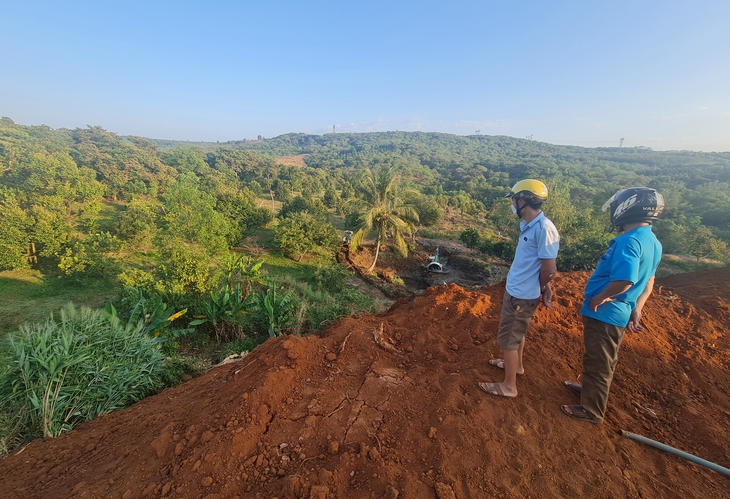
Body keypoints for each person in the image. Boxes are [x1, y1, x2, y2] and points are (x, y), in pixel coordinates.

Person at [561, 187, 664, 423]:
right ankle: (589, 391)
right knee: (600, 357)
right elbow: (649, 281)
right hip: (621, 311)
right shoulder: (653, 242)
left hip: (606, 312)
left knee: (599, 361)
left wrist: (600, 297)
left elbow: (625, 280)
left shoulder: (629, 241)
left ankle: (591, 411)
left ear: (626, 209)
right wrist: (637, 308)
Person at [478, 179, 560, 398]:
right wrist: (545, 285)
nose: (513, 205)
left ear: (523, 201)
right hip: (516, 290)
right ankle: (517, 366)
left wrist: (543, 286)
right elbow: (538, 263)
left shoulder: (544, 229)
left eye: (514, 200)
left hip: (523, 295)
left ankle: (509, 386)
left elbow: (549, 268)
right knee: (516, 335)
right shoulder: (527, 226)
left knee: (508, 340)